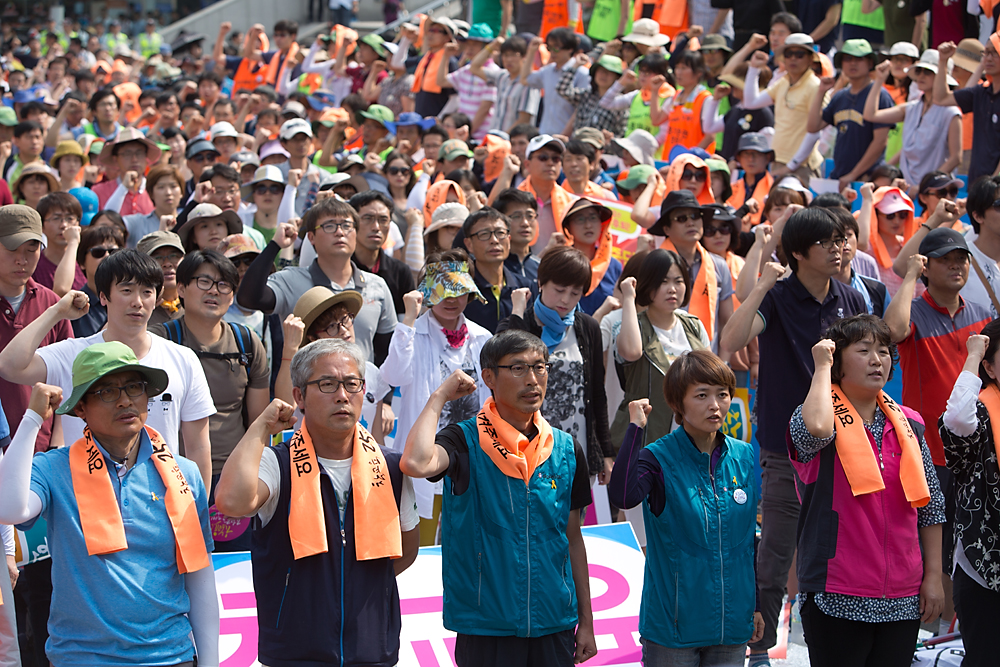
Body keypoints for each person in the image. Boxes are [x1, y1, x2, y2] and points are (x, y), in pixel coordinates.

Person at [0, 343, 218, 667]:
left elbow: (199, 577)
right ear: (80, 409)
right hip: (81, 658)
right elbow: (9, 509)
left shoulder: (182, 473)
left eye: (134, 387)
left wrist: (211, 662)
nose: (125, 400)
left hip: (171, 656)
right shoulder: (55, 468)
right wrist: (32, 419)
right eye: (106, 391)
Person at [720, 207, 867, 664]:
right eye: (828, 242)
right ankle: (760, 647)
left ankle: (824, 641)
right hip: (785, 448)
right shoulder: (779, 297)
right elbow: (732, 337)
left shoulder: (850, 296)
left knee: (837, 546)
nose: (840, 248)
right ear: (800, 252)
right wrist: (762, 284)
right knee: (777, 550)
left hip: (841, 442)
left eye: (842, 240)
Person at [215, 338, 420, 666]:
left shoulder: (391, 467)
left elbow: (407, 550)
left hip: (373, 650)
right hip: (295, 653)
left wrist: (355, 581)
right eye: (327, 384)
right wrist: (260, 428)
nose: (342, 395)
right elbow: (230, 502)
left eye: (352, 384)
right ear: (299, 397)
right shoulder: (276, 463)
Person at [400, 329, 597, 666]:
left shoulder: (566, 449)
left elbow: (573, 539)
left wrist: (587, 623)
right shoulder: (464, 441)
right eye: (518, 369)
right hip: (486, 628)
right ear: (488, 376)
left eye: (540, 367)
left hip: (554, 624)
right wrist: (439, 397)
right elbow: (416, 462)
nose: (533, 379)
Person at [792, 316, 946, 667]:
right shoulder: (819, 415)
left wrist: (933, 577)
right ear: (838, 362)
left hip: (903, 596)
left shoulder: (909, 424)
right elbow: (812, 430)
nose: (877, 359)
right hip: (838, 590)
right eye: (863, 350)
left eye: (883, 350)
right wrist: (820, 368)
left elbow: (932, 507)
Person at [0, 249, 216, 488]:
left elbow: (198, 447)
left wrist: (198, 514)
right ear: (103, 296)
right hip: (84, 502)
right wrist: (56, 312)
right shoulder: (74, 354)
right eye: (126, 290)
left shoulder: (183, 359)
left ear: (157, 298)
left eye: (147, 292)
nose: (137, 301)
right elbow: (9, 366)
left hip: (161, 506)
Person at [609, 351, 764, 664]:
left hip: (732, 624)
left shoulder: (745, 456)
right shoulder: (658, 457)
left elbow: (750, 542)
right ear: (678, 403)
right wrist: (636, 428)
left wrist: (756, 604)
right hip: (673, 628)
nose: (715, 405)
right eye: (702, 395)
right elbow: (624, 496)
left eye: (722, 394)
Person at [149, 249, 270, 551]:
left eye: (223, 284)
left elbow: (258, 423)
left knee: (234, 569)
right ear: (181, 289)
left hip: (233, 477)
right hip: (170, 474)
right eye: (204, 281)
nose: (214, 291)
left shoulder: (247, 343)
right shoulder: (160, 342)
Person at [381, 251, 492, 541]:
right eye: (442, 291)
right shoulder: (412, 334)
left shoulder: (483, 338)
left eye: (460, 290)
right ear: (425, 292)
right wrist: (408, 319)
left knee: (469, 545)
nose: (452, 299)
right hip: (425, 456)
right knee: (421, 545)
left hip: (472, 456)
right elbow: (392, 377)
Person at [500, 244, 614, 487]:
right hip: (528, 447)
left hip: (577, 447)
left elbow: (597, 393)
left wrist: (605, 452)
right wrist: (518, 312)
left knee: (575, 520)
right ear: (541, 282)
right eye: (559, 289)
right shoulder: (521, 322)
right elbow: (506, 364)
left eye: (575, 293)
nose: (565, 300)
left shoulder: (587, 327)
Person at [236, 197, 397, 365]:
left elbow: (386, 351)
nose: (340, 232)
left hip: (360, 389)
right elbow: (248, 298)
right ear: (311, 237)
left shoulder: (377, 285)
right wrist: (275, 245)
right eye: (329, 226)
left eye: (347, 225)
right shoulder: (290, 280)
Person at [939, 327, 1000, 667]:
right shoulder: (981, 412)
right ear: (990, 369)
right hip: (984, 563)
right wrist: (973, 356)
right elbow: (957, 419)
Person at [647, 191, 734, 346]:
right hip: (665, 358)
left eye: (695, 216)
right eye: (681, 218)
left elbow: (727, 320)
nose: (690, 223)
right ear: (666, 229)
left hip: (708, 360)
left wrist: (723, 361)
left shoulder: (719, 265)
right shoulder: (652, 265)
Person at [804, 39, 893, 189]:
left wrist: (854, 174)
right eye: (847, 59)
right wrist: (821, 92)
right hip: (841, 176)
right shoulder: (840, 97)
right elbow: (813, 127)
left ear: (870, 63)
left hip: (867, 179)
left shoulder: (879, 95)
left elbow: (880, 142)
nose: (852, 63)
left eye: (859, 59)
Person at [864, 55, 962, 188]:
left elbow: (956, 158)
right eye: (918, 71)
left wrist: (927, 186)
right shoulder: (911, 108)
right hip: (906, 188)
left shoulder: (951, 112)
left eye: (927, 72)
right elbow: (871, 115)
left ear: (943, 76)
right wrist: (879, 80)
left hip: (934, 192)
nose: (921, 76)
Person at [742, 34, 824, 182]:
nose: (793, 58)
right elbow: (750, 102)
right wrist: (754, 68)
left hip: (802, 166)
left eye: (799, 54)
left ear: (811, 59)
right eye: (788, 54)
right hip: (778, 161)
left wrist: (791, 165)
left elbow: (814, 132)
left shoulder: (815, 87)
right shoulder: (783, 82)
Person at [460, 207, 535, 333]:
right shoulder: (461, 288)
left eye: (500, 233)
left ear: (509, 240)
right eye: (484, 234)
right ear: (469, 244)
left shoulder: (525, 287)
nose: (494, 240)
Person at [934, 41, 1000, 182]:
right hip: (977, 181)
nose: (988, 58)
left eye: (995, 52)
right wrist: (943, 61)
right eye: (986, 53)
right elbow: (940, 98)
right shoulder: (981, 92)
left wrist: (994, 183)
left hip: (994, 187)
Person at [348, 190, 415, 316]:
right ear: (352, 222)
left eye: (383, 220)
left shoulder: (400, 272)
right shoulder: (341, 269)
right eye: (368, 218)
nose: (376, 227)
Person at [556, 197, 622, 316]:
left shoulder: (613, 266)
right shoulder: (560, 262)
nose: (588, 225)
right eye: (580, 219)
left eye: (593, 218)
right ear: (568, 228)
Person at [516, 135, 575, 251]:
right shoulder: (513, 201)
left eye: (556, 159)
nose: (550, 163)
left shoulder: (571, 202)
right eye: (543, 158)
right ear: (527, 164)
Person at [92, 127, 161, 215]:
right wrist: (123, 187)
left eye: (139, 153)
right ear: (115, 159)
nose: (134, 159)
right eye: (127, 154)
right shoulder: (99, 191)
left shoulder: (157, 190)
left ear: (146, 157)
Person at [72, 224, 123, 338]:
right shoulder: (75, 305)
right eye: (98, 252)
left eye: (114, 252)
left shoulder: (135, 300)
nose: (107, 256)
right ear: (82, 262)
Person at [34, 192, 87, 296]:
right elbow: (62, 292)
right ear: (42, 225)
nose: (64, 225)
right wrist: (73, 242)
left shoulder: (87, 260)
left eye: (70, 218)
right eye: (56, 218)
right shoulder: (34, 265)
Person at [123, 165, 185, 248]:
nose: (168, 192)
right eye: (161, 187)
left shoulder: (189, 221)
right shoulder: (137, 223)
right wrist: (123, 188)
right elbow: (108, 220)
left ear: (181, 192)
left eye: (173, 186)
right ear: (151, 193)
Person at [495, 188, 540, 282]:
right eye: (516, 216)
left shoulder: (542, 268)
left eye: (530, 216)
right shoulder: (495, 267)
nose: (525, 223)